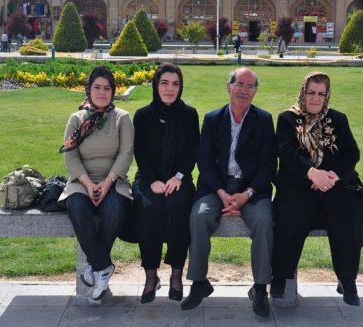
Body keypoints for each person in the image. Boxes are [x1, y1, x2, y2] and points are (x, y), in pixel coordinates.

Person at [181, 67, 277, 317]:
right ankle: (200, 283)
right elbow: (204, 161)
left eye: (250, 87)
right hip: (217, 188)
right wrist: (223, 194)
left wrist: (247, 194)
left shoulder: (264, 120)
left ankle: (259, 289)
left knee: (265, 221)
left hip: (252, 189)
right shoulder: (213, 118)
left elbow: (269, 165)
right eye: (240, 85)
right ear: (229, 86)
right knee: (199, 217)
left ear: (255, 92)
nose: (244, 91)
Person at [271, 71, 363, 306]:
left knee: (348, 212)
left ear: (327, 95)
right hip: (299, 182)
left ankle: (347, 279)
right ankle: (281, 277)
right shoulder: (287, 119)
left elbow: (352, 153)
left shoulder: (338, 119)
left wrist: (331, 177)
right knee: (289, 212)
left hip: (335, 184)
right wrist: (312, 172)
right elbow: (287, 151)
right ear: (303, 92)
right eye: (310, 93)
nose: (315, 99)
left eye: (321, 94)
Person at [58, 65, 134, 302]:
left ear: (113, 91)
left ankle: (94, 265)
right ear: (88, 90)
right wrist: (89, 184)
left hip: (115, 179)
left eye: (107, 88)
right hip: (82, 180)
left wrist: (108, 182)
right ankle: (102, 267)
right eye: (97, 87)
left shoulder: (122, 118)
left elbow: (126, 153)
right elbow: (70, 155)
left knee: (114, 209)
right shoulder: (76, 118)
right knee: (78, 208)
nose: (102, 93)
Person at [132, 63, 199, 304]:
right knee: (149, 209)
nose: (170, 89)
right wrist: (153, 181)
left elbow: (193, 151)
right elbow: (139, 152)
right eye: (164, 83)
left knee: (179, 207)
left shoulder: (189, 114)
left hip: (179, 179)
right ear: (155, 85)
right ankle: (151, 276)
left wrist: (178, 177)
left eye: (175, 84)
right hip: (149, 178)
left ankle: (176, 275)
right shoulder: (143, 115)